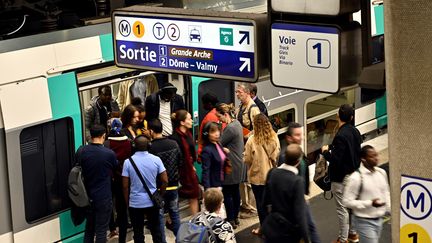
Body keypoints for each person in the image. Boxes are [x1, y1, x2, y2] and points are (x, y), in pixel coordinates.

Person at [321, 104, 363, 243]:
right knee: (352, 206)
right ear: (351, 117)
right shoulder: (355, 131)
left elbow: (336, 160)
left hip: (341, 178)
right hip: (354, 175)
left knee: (342, 209)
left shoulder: (340, 135)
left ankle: (343, 239)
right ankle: (353, 234)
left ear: (338, 115)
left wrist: (326, 152)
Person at [277, 122, 321, 243]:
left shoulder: (299, 152)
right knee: (309, 229)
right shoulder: (284, 156)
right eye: (297, 135)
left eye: (302, 134)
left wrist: (305, 193)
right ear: (289, 138)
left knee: (310, 228)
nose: (301, 137)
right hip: (293, 204)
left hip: (301, 199)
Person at [122, 136, 168, 243]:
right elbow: (165, 180)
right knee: (156, 232)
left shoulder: (127, 162)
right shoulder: (156, 160)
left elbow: (125, 186)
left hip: (135, 203)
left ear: (134, 146)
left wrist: (127, 202)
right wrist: (160, 194)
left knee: (138, 234)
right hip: (152, 202)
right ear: (149, 145)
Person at [262, 144, 309, 243]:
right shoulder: (297, 181)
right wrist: (306, 237)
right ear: (298, 161)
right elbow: (299, 213)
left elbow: (264, 202)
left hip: (272, 228)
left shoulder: (272, 173)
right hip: (288, 233)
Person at [343, 145, 390, 243]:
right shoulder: (356, 178)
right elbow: (346, 201)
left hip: (379, 219)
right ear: (363, 159)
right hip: (364, 221)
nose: (376, 158)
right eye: (372, 156)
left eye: (376, 155)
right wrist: (369, 203)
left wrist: (390, 210)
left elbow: (386, 192)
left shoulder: (381, 173)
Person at [244, 113, 280, 235]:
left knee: (260, 205)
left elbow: (247, 159)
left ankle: (263, 229)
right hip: (271, 176)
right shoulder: (274, 137)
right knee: (271, 203)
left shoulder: (251, 140)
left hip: (257, 178)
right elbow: (276, 154)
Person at [81, 125, 117, 243]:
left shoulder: (81, 151)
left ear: (90, 136)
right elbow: (115, 168)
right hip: (103, 197)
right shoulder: (109, 153)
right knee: (101, 231)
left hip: (86, 197)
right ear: (104, 135)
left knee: (89, 229)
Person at [148, 118, 182, 243]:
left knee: (159, 217)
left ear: (151, 131)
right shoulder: (173, 143)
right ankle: (180, 239)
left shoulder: (150, 148)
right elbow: (180, 161)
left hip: (158, 188)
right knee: (175, 214)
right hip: (173, 186)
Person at [216, 103, 245, 228]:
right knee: (235, 191)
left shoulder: (229, 128)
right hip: (239, 164)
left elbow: (218, 144)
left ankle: (231, 219)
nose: (219, 119)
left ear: (226, 114)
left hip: (230, 165)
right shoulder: (237, 124)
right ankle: (236, 217)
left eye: (219, 116)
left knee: (227, 192)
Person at [104, 119, 132, 243]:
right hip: (124, 181)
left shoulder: (106, 144)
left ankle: (112, 229)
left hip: (110, 180)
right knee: (122, 210)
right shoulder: (129, 143)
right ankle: (122, 239)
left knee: (109, 205)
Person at [235, 83, 261, 218]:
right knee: (242, 178)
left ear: (246, 92)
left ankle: (252, 208)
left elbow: (258, 129)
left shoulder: (253, 109)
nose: (237, 94)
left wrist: (246, 135)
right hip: (241, 147)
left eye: (239, 92)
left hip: (250, 148)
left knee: (249, 179)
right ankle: (244, 204)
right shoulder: (241, 107)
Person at [170, 109, 200, 215]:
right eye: (189, 119)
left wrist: (192, 165)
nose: (192, 121)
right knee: (176, 198)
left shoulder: (188, 134)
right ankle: (171, 220)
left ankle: (196, 219)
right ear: (182, 122)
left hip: (189, 170)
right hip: (181, 172)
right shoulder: (175, 138)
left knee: (194, 195)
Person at [198, 92, 225, 158]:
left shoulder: (209, 117)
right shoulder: (221, 114)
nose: (203, 105)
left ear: (209, 104)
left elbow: (204, 135)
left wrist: (200, 152)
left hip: (211, 150)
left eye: (204, 103)